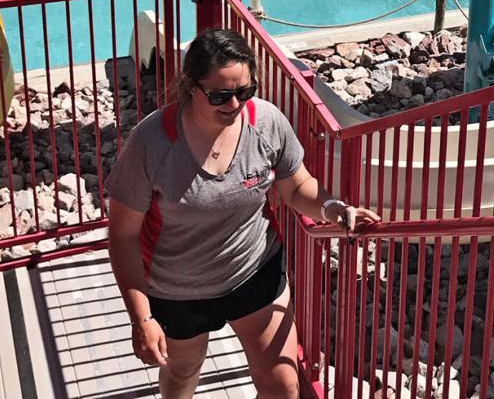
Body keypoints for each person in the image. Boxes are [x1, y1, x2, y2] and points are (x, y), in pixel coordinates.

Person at [107, 28, 379, 398]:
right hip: (177, 291)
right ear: (190, 86)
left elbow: (296, 186)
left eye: (244, 92)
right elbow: (123, 236)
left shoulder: (265, 122)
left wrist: (334, 208)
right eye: (219, 94)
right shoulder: (151, 144)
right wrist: (142, 318)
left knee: (283, 385)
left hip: (254, 273)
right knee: (183, 375)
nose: (234, 105)